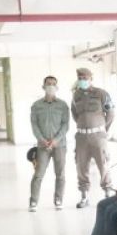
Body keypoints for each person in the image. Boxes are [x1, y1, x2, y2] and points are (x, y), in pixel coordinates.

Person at [71, 67, 115, 208]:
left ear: (91, 78)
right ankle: (84, 197)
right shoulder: (75, 95)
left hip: (98, 136)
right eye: (80, 77)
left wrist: (103, 131)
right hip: (82, 137)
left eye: (85, 77)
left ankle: (108, 194)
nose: (82, 79)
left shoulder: (101, 94)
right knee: (81, 166)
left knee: (103, 164)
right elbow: (75, 115)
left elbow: (111, 114)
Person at [29, 76, 70, 212]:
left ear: (57, 87)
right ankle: (33, 201)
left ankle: (58, 199)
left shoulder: (63, 105)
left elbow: (65, 125)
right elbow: (34, 125)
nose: (51, 86)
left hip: (60, 145)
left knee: (60, 174)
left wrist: (56, 140)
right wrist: (41, 139)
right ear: (43, 86)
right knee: (38, 174)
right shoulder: (36, 105)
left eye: (53, 84)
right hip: (42, 146)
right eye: (48, 84)